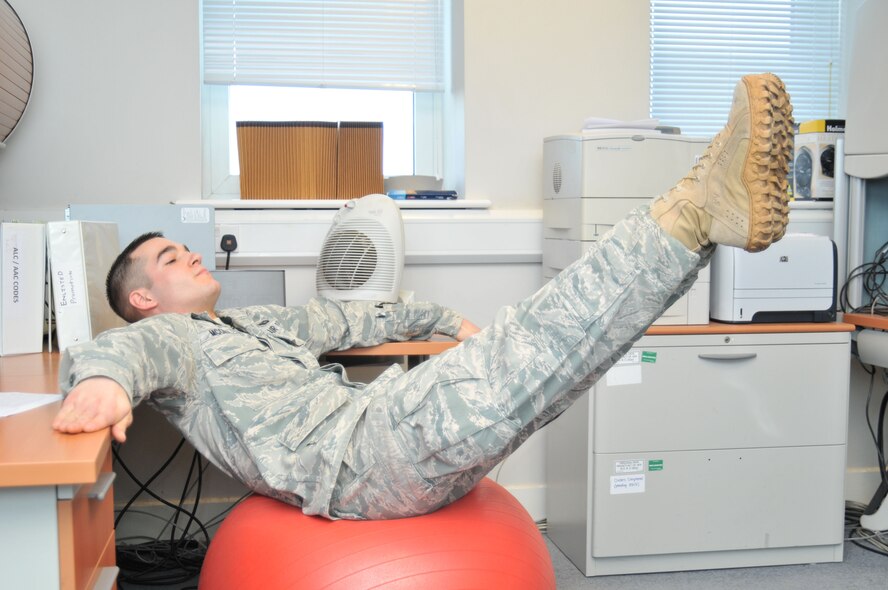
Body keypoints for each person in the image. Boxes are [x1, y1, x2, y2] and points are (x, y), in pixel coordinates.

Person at [53, 73, 794, 520]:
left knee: (553, 368)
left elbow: (352, 317)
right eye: (169, 258)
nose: (188, 255)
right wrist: (102, 383)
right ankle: (694, 208)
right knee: (533, 344)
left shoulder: (253, 323)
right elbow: (121, 352)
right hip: (353, 461)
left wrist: (442, 320)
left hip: (373, 427)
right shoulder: (173, 338)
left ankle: (700, 225)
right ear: (144, 298)